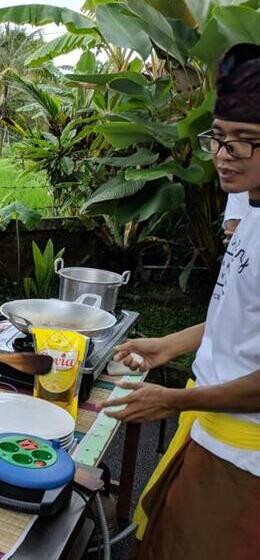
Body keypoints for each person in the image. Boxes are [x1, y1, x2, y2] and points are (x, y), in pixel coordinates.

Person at [103, 43, 260, 560]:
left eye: (244, 142)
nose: (223, 154)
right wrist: (171, 344)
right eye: (219, 137)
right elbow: (236, 316)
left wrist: (174, 401)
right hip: (208, 437)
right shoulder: (252, 213)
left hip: (243, 463)